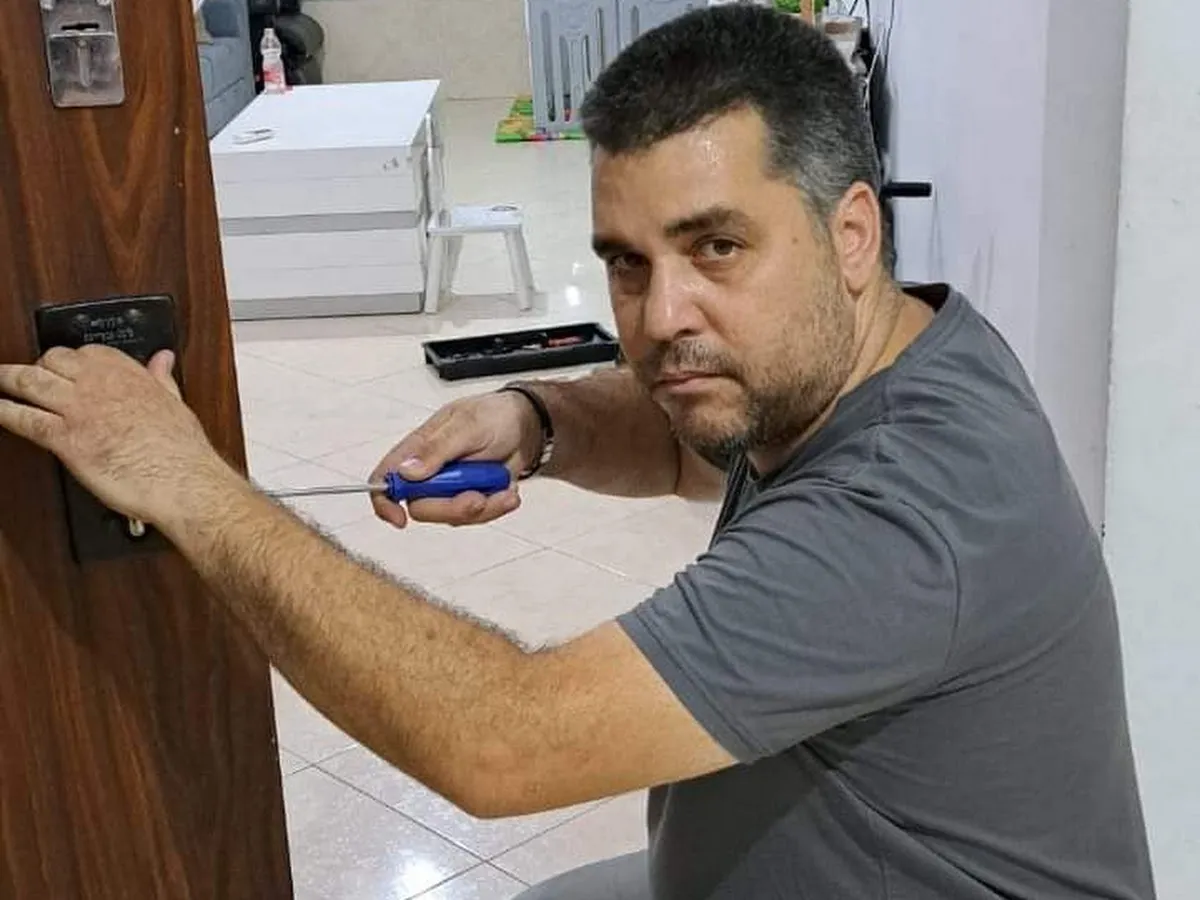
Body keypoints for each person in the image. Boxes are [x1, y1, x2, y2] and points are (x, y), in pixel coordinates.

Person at [0, 6, 1154, 899]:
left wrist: (187, 484)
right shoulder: (883, 349)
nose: (663, 317)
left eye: (717, 246)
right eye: (629, 262)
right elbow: (690, 440)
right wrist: (536, 420)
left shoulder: (909, 511)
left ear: (852, 231)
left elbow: (501, 741)